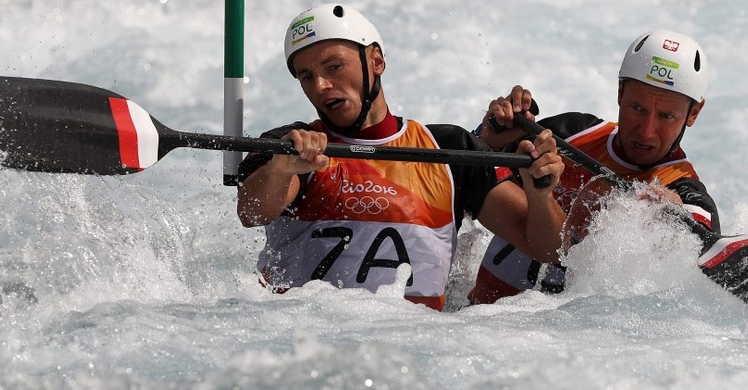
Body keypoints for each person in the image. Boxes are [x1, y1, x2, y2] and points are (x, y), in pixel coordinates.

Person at [236, 4, 566, 311]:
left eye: (334, 67)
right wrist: (280, 172)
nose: (321, 85)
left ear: (376, 61)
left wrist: (539, 196)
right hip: (304, 341)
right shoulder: (291, 145)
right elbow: (251, 212)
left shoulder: (448, 148)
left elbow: (547, 250)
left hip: (411, 348)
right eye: (306, 77)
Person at [468, 29, 722, 304]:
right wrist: (490, 137)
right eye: (637, 108)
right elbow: (467, 172)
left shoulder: (688, 196)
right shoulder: (572, 135)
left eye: (665, 116)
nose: (647, 132)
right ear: (620, 91)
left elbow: (696, 285)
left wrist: (672, 224)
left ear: (693, 114)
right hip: (473, 322)